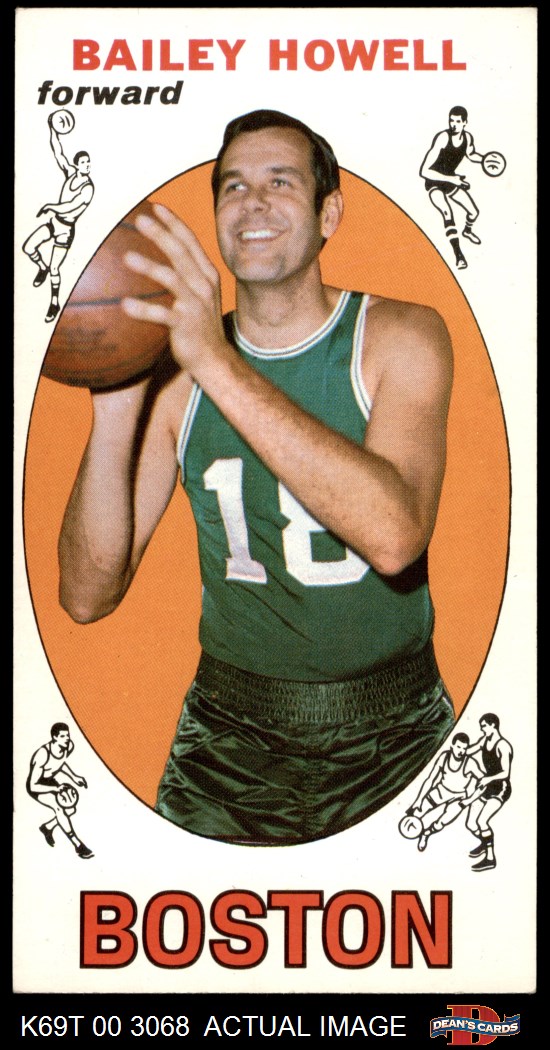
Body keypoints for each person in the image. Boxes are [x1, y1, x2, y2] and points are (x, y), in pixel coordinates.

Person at [58, 109, 455, 846]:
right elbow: (86, 596)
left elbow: (396, 537)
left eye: (281, 182)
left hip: (394, 734)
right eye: (234, 186)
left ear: (328, 213)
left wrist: (214, 360)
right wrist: (114, 399)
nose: (254, 203)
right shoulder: (176, 373)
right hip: (229, 738)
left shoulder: (400, 336)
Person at [22, 115, 94, 322]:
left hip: (66, 230)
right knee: (28, 248)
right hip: (54, 223)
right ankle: (41, 267)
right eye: (83, 162)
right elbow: (58, 151)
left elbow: (70, 206)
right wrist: (52, 129)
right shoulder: (70, 173)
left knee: (56, 268)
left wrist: (50, 206)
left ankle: (54, 303)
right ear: (76, 165)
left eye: (88, 162)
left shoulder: (88, 188)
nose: (87, 165)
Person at [420, 106, 484, 270]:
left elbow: (471, 154)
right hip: (434, 181)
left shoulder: (467, 138)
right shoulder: (443, 138)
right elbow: (424, 171)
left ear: (465, 123)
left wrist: (485, 160)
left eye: (457, 121)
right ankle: (459, 255)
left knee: (474, 212)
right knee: (447, 212)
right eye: (451, 121)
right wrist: (453, 179)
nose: (453, 124)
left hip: (451, 180)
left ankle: (467, 231)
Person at [26, 722, 93, 858]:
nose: (67, 738)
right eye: (63, 736)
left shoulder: (69, 746)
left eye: (67, 735)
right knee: (59, 809)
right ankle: (78, 845)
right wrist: (56, 788)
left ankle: (47, 827)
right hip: (38, 786)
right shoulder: (42, 755)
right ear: (54, 737)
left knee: (71, 809)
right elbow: (33, 785)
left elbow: (60, 763)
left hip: (50, 781)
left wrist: (74, 777)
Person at [408, 732, 483, 851]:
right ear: (452, 746)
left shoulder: (470, 763)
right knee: (416, 814)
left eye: (464, 748)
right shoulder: (444, 757)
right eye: (458, 747)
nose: (461, 751)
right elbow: (430, 779)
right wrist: (419, 800)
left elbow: (484, 781)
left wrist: (471, 798)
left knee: (441, 823)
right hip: (441, 791)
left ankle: (426, 834)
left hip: (458, 796)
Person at [464, 713, 513, 871]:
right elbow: (471, 750)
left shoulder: (503, 745)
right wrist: (458, 750)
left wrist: (488, 779)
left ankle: (490, 858)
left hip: (500, 788)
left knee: (482, 821)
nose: (482, 729)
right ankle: (485, 843)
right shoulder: (484, 740)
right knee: (470, 823)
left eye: (484, 726)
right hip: (487, 786)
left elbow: (506, 773)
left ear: (493, 725)